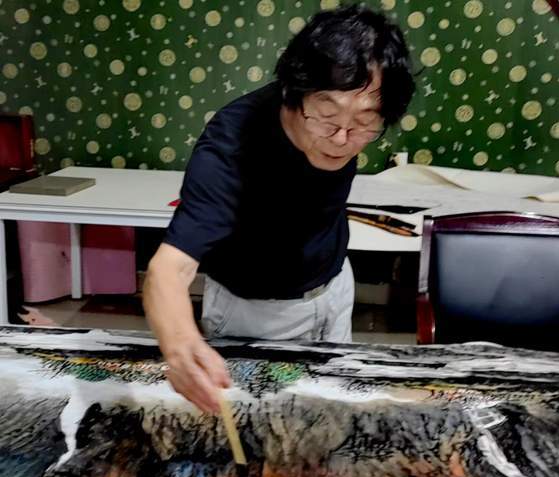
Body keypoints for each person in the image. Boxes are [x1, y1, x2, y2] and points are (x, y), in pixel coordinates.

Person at [143, 5, 415, 413]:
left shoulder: (340, 129)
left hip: (334, 285)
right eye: (327, 116)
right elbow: (168, 269)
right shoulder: (231, 144)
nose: (342, 138)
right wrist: (181, 345)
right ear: (293, 94)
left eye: (364, 123)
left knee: (330, 414)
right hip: (254, 311)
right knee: (256, 424)